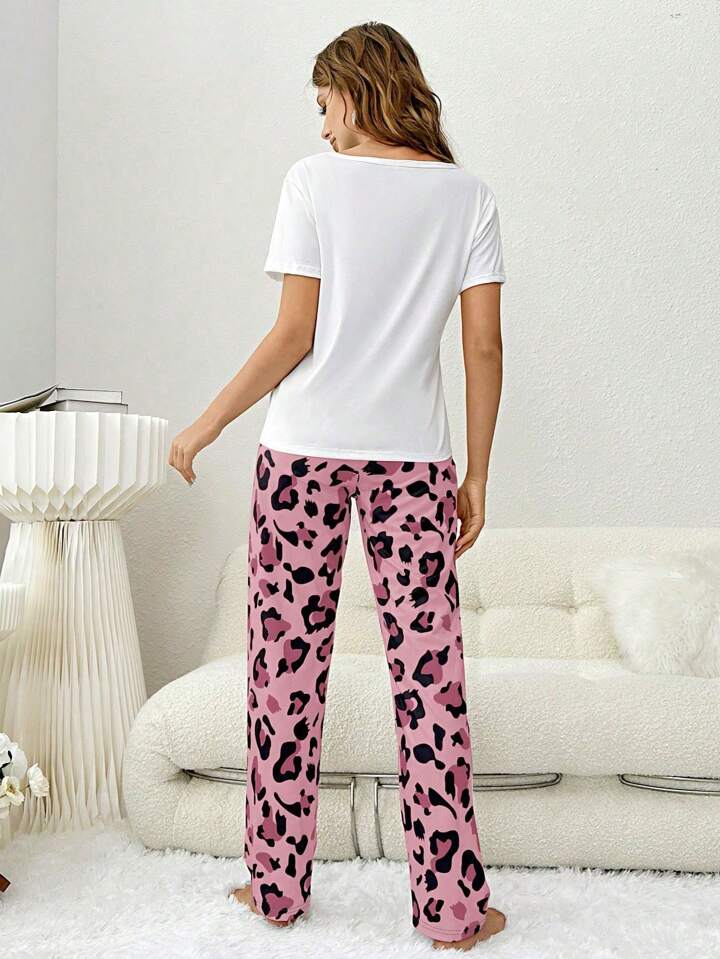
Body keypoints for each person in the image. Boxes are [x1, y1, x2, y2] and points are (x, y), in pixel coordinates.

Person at [168, 20, 507, 952]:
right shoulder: (469, 196)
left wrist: (208, 422)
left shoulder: (312, 182)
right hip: (415, 465)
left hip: (301, 457)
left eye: (324, 103)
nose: (321, 126)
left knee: (284, 671)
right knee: (430, 682)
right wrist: (478, 472)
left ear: (357, 89)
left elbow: (293, 334)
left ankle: (276, 886)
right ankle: (453, 909)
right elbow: (483, 346)